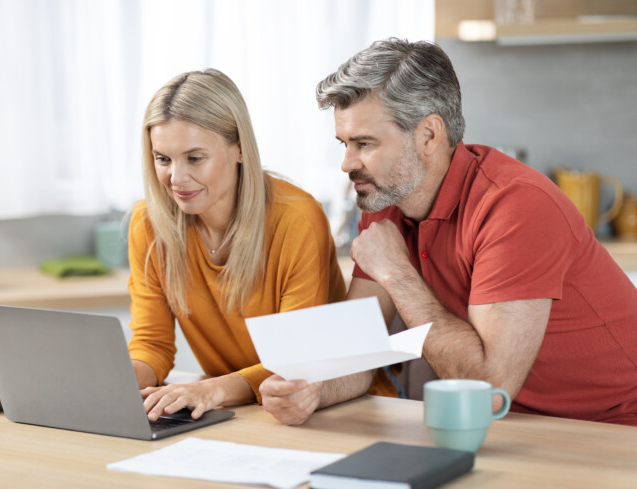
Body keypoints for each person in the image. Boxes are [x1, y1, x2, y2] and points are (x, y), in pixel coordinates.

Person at [260, 38, 637, 426]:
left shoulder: (516, 207)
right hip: (514, 425)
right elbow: (358, 355)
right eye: (344, 143)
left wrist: (395, 272)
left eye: (364, 144)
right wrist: (311, 390)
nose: (346, 163)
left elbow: (488, 389)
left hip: (613, 428)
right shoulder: (384, 201)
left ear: (428, 135)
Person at [127, 68, 350, 422]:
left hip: (329, 410)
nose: (177, 178)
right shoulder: (149, 224)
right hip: (243, 412)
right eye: (163, 159)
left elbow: (293, 364)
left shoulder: (297, 220)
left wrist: (209, 389)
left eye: (195, 158)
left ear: (240, 150)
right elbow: (151, 345)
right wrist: (110, 382)